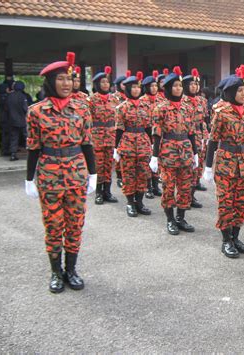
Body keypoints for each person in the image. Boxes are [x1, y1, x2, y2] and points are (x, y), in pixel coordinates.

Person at [24, 52, 97, 293]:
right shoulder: (36, 111)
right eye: (61, 79)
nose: (67, 84)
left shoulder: (82, 108)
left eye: (70, 79)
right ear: (50, 82)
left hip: (76, 174)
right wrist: (29, 179)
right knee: (53, 226)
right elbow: (34, 147)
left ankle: (72, 270)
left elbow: (87, 143)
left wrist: (93, 174)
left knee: (75, 224)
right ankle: (56, 272)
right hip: (49, 176)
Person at [203, 65, 244, 258]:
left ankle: (236, 237)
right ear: (231, 92)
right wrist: (208, 167)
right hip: (225, 163)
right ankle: (226, 240)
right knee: (226, 203)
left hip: (242, 163)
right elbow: (213, 140)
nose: (243, 93)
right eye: (240, 90)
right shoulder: (221, 112)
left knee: (241, 202)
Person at [150, 66, 198, 234]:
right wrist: (154, 156)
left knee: (185, 187)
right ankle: (170, 219)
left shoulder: (187, 107)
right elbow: (157, 133)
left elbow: (191, 132)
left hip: (185, 151)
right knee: (169, 188)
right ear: (169, 88)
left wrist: (196, 153)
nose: (178, 88)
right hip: (168, 152)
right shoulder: (160, 108)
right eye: (175, 86)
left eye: (179, 85)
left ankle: (181, 218)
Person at [114, 71, 153, 217]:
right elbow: (119, 129)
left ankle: (140, 202)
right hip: (127, 144)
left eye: (138, 87)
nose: (136, 89)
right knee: (129, 175)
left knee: (143, 174)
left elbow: (149, 127)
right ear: (127, 89)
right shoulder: (121, 107)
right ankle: (130, 203)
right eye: (133, 87)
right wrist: (116, 148)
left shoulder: (146, 106)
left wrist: (152, 145)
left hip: (143, 142)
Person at [89, 66, 118, 205]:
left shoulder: (114, 99)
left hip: (111, 136)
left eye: (107, 82)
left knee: (109, 165)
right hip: (97, 137)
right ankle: (99, 192)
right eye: (102, 82)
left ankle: (108, 191)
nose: (105, 84)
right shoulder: (91, 100)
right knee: (98, 166)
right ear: (97, 84)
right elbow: (87, 121)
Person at [182, 68, 207, 209]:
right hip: (186, 137)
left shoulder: (202, 101)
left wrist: (205, 136)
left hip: (200, 136)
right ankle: (184, 197)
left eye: (196, 84)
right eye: (191, 84)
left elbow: (204, 120)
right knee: (187, 169)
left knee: (197, 167)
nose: (194, 87)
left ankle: (191, 196)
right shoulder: (182, 101)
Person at [140, 70, 163, 199]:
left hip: (158, 134)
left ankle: (155, 186)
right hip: (146, 135)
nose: (154, 88)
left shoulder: (161, 99)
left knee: (157, 160)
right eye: (151, 86)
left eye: (155, 85)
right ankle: (148, 187)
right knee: (147, 162)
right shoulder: (142, 101)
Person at [5, 81, 28, 161]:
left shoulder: (9, 96)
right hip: (22, 121)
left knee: (14, 137)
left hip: (12, 121)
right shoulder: (23, 96)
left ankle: (13, 154)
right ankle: (31, 153)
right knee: (27, 137)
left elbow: (6, 109)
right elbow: (25, 109)